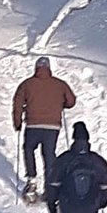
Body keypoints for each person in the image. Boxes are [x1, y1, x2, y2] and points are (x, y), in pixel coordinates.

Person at [12, 56, 76, 201]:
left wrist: (17, 123)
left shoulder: (27, 84)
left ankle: (32, 180)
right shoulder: (60, 84)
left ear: (36, 68)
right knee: (49, 154)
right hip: (52, 126)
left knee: (28, 149)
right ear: (49, 68)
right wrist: (60, 104)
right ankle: (50, 186)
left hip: (33, 125)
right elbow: (71, 101)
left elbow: (17, 104)